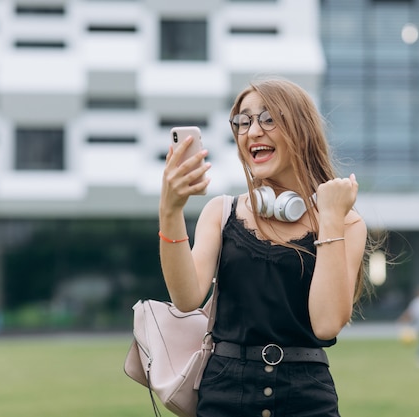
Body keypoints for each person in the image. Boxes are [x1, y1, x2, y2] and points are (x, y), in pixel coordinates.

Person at [158, 77, 375, 416]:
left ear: (301, 130)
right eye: (243, 121)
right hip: (224, 397)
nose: (252, 131)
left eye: (268, 118)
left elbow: (326, 323)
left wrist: (330, 219)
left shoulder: (345, 222)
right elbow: (186, 300)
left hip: (307, 400)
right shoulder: (221, 212)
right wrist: (170, 210)